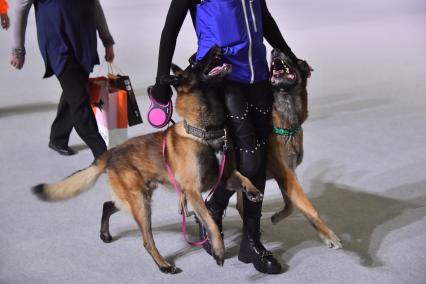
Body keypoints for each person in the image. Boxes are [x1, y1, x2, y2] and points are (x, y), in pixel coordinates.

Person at [150, 0, 312, 274]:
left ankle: (222, 214)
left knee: (255, 156)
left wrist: (291, 56)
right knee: (250, 156)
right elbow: (171, 28)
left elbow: (265, 18)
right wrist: (160, 81)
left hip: (258, 75)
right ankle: (251, 238)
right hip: (222, 77)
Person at [10, 0, 115, 159]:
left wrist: (107, 39)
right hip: (58, 43)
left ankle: (57, 138)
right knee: (79, 99)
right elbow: (21, 8)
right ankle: (103, 155)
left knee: (74, 92)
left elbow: (94, 4)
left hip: (83, 43)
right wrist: (18, 50)